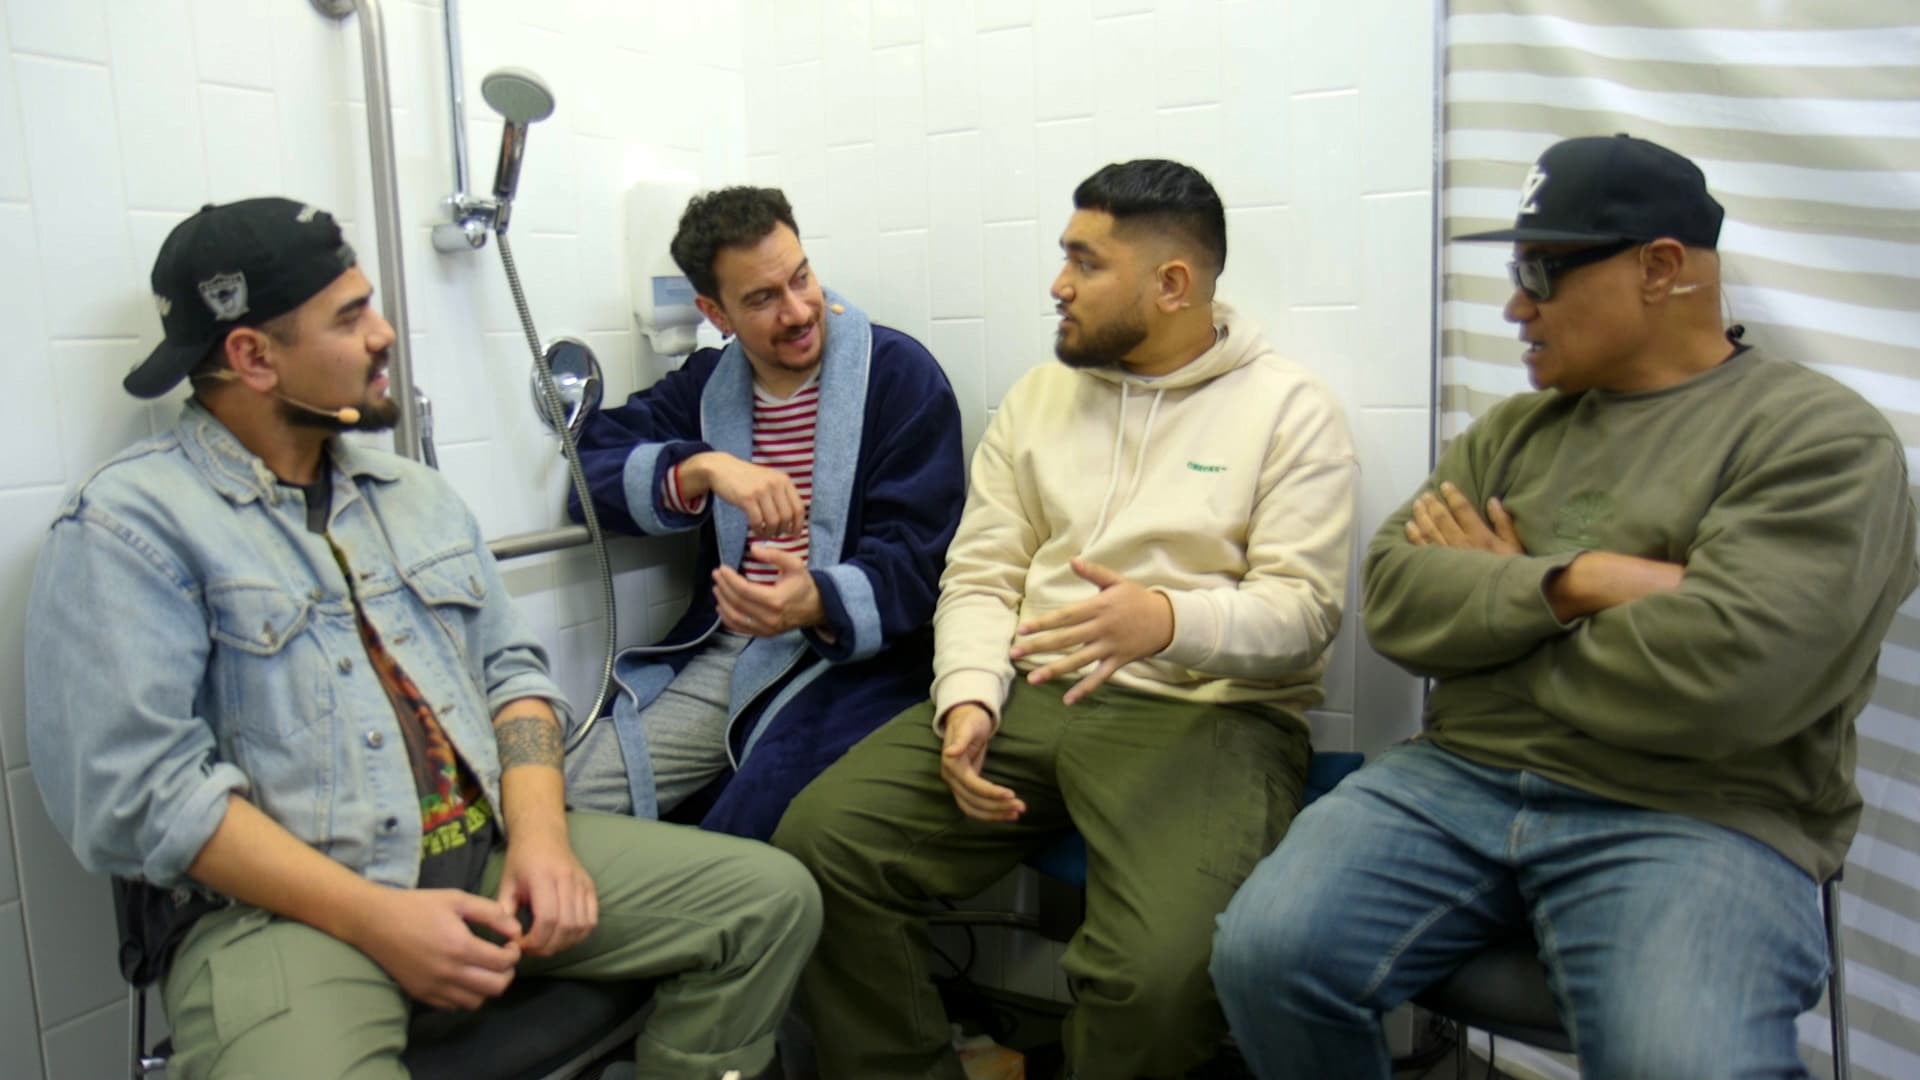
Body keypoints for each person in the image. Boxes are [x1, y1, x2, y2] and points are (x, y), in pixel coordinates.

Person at [24, 198, 820, 1080]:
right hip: (283, 917)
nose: (384, 333)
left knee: (770, 903)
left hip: (481, 854)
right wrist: (376, 918)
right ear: (252, 356)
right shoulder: (129, 528)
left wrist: (542, 840)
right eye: (349, 318)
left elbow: (516, 678)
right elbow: (138, 795)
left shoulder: (412, 495)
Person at [1211, 134, 1920, 1080]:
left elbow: (1734, 681)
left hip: (1697, 809)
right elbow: (1394, 602)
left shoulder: (1820, 441)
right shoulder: (1514, 429)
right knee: (1263, 957)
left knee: (1681, 1062)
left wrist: (1497, 618)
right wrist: (1577, 582)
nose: (1516, 306)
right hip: (1460, 779)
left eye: (1541, 272)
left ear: (1660, 268)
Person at [773, 159, 1358, 1079]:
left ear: (1172, 284)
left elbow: (1305, 612)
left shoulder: (1289, 411)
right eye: (1064, 256)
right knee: (820, 845)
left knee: (1157, 979)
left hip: (1206, 714)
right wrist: (969, 697)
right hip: (1030, 691)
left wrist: (1166, 620)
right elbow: (981, 574)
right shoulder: (1039, 398)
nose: (1058, 284)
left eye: (1086, 263)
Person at [564, 185, 966, 841]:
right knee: (564, 795)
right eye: (761, 299)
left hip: (851, 661)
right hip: (729, 651)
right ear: (714, 313)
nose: (799, 310)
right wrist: (702, 468)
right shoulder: (706, 389)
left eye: (801, 278)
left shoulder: (898, 377)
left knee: (749, 823)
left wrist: (816, 600)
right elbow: (584, 475)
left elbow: (920, 560)